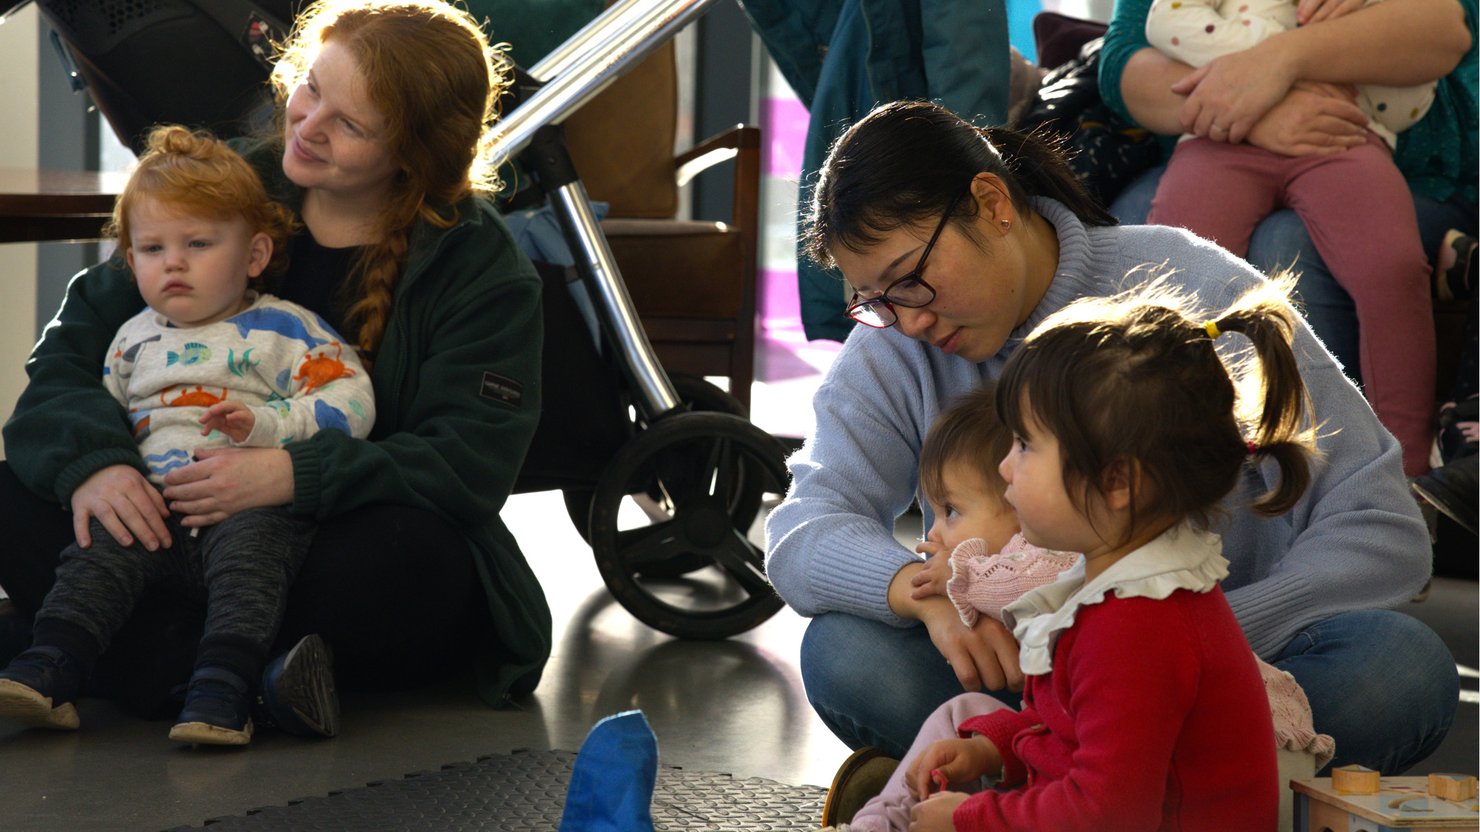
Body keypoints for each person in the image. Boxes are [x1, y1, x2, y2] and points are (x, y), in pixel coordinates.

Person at [765, 99, 1455, 776]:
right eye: (876, 301)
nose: (905, 318)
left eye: (909, 279)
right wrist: (923, 592)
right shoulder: (899, 350)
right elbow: (803, 529)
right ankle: (1136, 790)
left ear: (993, 204)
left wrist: (1179, 645)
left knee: (1399, 666)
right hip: (1028, 694)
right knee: (846, 652)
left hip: (1231, 683)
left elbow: (1381, 526)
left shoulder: (1186, 287)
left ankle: (1056, 790)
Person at [0, 0, 550, 725]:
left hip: (318, 537)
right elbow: (68, 357)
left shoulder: (480, 266)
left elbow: (468, 465)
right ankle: (242, 679)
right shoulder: (227, 184)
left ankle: (98, 654)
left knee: (417, 562)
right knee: (18, 493)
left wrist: (294, 475)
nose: (308, 125)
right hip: (170, 509)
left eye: (349, 125)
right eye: (312, 88)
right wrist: (101, 467)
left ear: (414, 155)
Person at [837, 279, 1324, 831]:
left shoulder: (1136, 626)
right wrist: (995, 753)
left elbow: (1107, 815)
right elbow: (1068, 731)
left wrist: (972, 818)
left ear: (1115, 481)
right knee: (968, 721)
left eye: (1025, 445)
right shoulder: (1117, 587)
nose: (1004, 468)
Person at [0, 126, 374, 745]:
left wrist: (271, 428)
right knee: (97, 551)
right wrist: (104, 466)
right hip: (156, 511)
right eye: (151, 249)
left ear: (254, 255)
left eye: (199, 243)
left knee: (251, 574)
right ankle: (50, 666)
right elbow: (88, 406)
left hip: (247, 509)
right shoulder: (130, 339)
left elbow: (352, 399)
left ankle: (221, 691)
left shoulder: (283, 328)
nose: (173, 261)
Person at [1098, 0, 1476, 401]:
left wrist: (1283, 60)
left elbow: (1449, 29)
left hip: (1407, 162)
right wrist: (1255, 109)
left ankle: (1345, 449)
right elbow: (1123, 62)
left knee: (1289, 245)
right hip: (1216, 142)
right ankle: (1186, 438)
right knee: (1137, 241)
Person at [1140, 0, 1438, 476]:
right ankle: (1170, 459)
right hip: (1222, 135)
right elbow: (1165, 22)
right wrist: (1274, 71)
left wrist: (1345, 49)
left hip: (1340, 134)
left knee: (1391, 267)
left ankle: (1412, 468)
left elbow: (1410, 102)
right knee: (1175, 281)